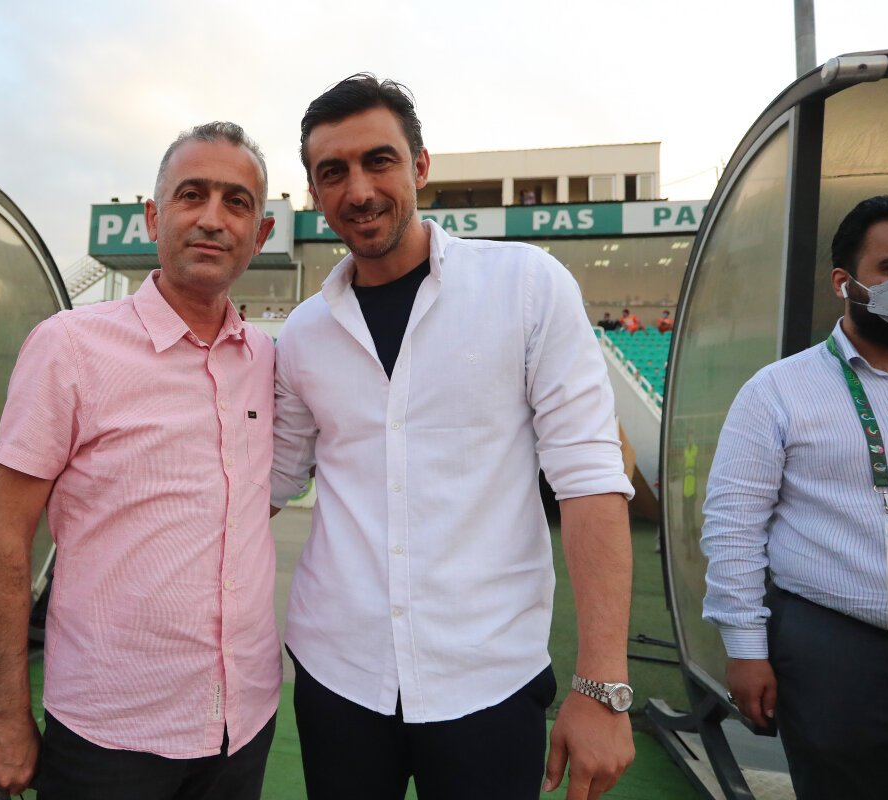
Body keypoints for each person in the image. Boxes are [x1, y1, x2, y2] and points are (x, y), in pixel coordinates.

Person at [272, 74, 635, 800]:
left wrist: (603, 683)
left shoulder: (527, 286)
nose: (359, 190)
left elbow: (590, 479)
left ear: (420, 166)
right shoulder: (304, 332)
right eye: (333, 172)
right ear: (313, 191)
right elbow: (269, 480)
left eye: (379, 160)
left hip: (488, 676)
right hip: (338, 672)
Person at [0, 121, 282, 800]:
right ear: (153, 217)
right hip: (109, 730)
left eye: (236, 203)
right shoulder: (69, 347)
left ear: (259, 235)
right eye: (191, 195)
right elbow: (6, 536)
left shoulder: (266, 360)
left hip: (245, 720)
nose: (212, 218)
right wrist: (4, 713)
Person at [702, 193, 888, 799]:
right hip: (835, 649)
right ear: (845, 282)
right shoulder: (778, 391)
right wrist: (745, 649)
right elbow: (734, 526)